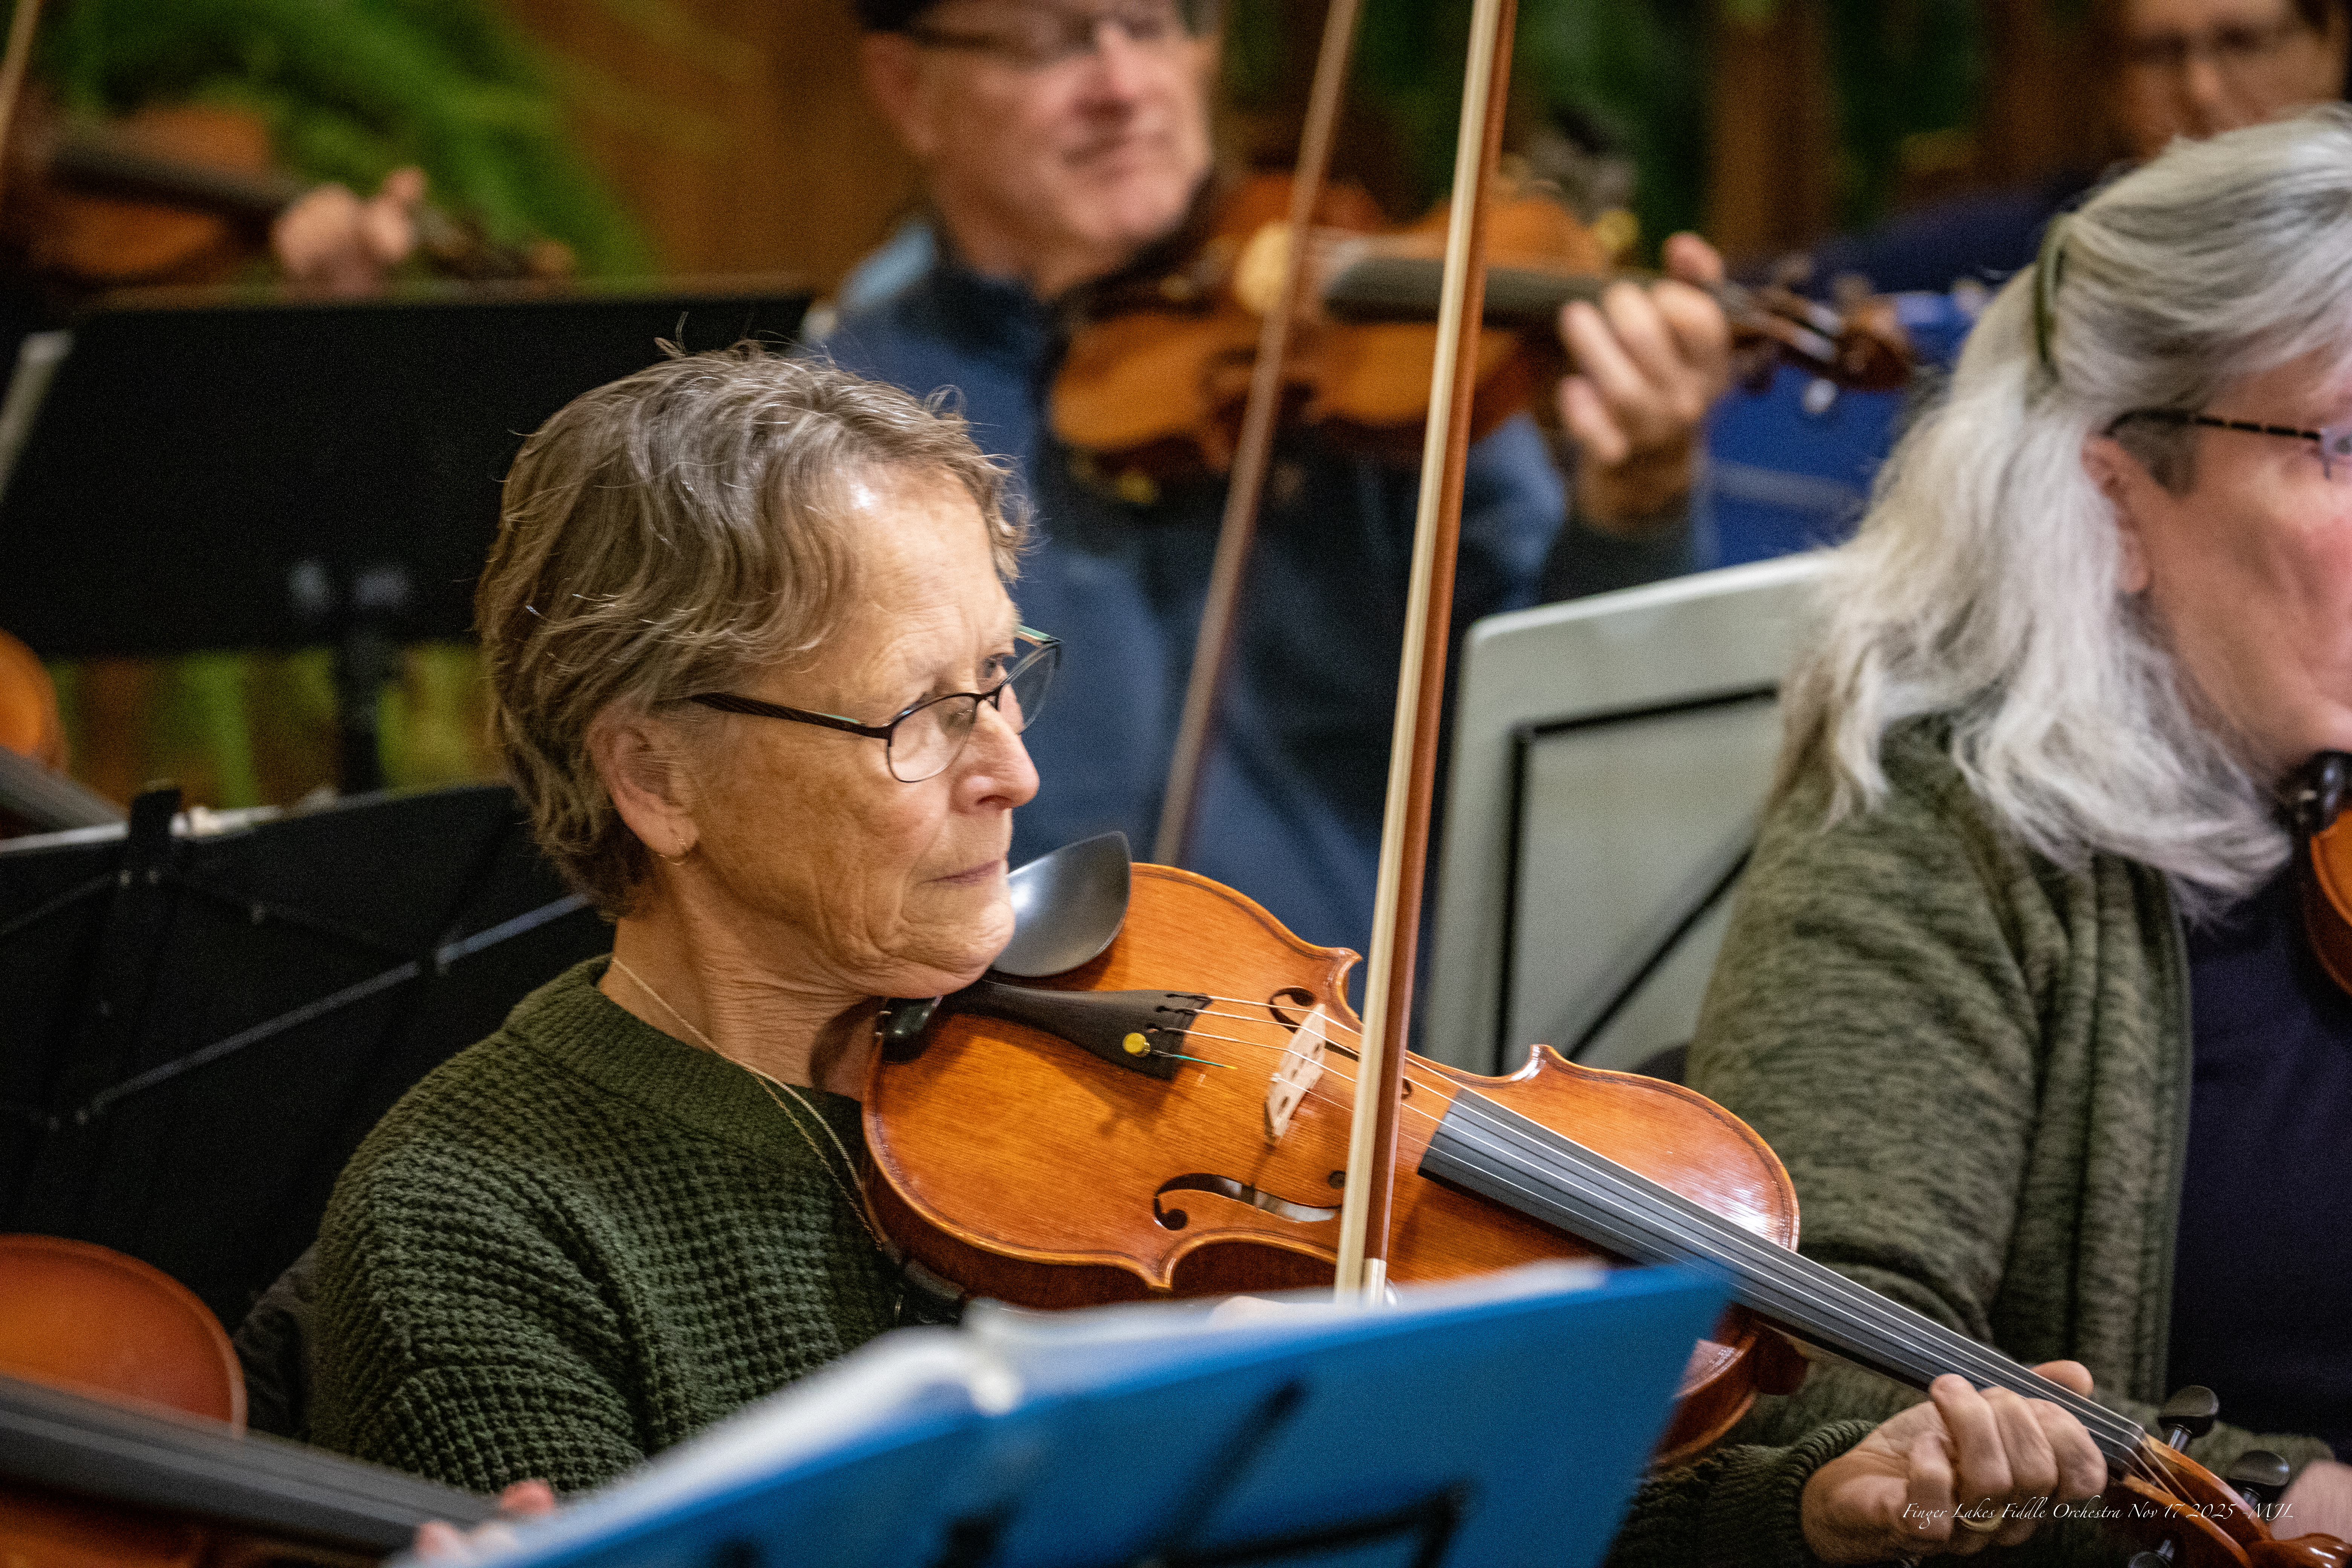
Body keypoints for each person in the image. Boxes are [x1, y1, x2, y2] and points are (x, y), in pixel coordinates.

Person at [311, 346, 2104, 1566]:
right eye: (919, 718)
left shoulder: (1140, 1046)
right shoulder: (471, 1217)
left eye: (1003, 678)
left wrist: (1804, 1512)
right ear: (654, 773)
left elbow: (1420, 1485)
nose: (1014, 772)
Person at [1687, 107, 2352, 1548]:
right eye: (2345, 445)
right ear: (2118, 498)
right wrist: (2278, 1498)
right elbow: (1822, 1366)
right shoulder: (1930, 822)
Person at [822, 0, 1734, 963]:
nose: (1125, 86)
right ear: (906, 88)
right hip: (1001, 1029)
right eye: (1054, 41)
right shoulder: (849, 425)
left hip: (1362, 1021)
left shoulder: (1370, 362)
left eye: (1154, 21)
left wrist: (1634, 508)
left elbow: (1562, 728)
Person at [1812, 0, 2347, 296]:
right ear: (2113, 84)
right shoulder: (2048, 240)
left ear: (2333, 46)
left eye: (2242, 42)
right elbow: (1809, 288)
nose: (2200, 90)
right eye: (2158, 52)